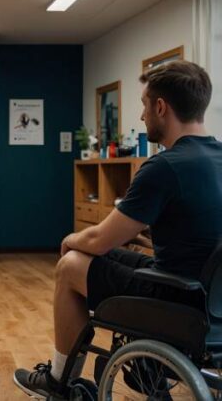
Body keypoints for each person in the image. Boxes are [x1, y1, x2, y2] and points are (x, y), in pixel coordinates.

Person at [14, 60, 221, 398]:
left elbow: (97, 239)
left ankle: (58, 380)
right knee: (114, 253)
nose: (142, 117)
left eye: (143, 106)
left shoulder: (164, 167)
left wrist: (71, 240)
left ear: (160, 106)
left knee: (71, 264)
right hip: (210, 296)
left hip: (178, 299)